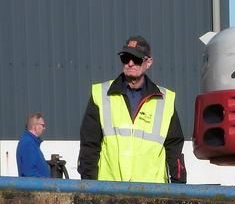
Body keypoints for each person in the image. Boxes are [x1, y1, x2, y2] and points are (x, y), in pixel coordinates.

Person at [78, 35, 186, 184]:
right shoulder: (101, 94)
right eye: (126, 58)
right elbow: (89, 146)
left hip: (152, 192)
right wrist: (89, 186)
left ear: (148, 62)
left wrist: (178, 186)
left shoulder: (165, 100)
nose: (130, 63)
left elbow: (174, 149)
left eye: (136, 59)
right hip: (109, 190)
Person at [16, 113, 51, 177]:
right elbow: (29, 172)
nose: (44, 128)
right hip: (35, 183)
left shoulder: (31, 142)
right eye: (43, 125)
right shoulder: (28, 143)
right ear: (34, 126)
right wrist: (43, 182)